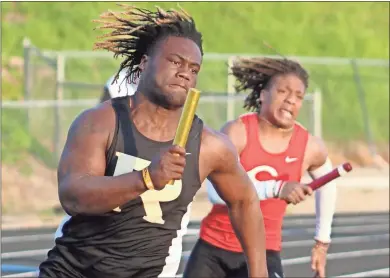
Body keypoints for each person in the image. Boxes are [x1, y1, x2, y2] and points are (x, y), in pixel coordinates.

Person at [37, 5, 279, 278]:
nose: (185, 72)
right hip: (73, 271)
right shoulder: (100, 122)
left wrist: (259, 274)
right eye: (175, 62)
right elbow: (73, 196)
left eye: (193, 68)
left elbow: (245, 201)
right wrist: (146, 178)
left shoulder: (209, 146)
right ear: (144, 62)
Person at [184, 57, 337, 278]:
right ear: (263, 94)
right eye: (283, 91)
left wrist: (322, 243)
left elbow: (328, 185)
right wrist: (276, 188)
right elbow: (215, 193)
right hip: (214, 249)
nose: (291, 100)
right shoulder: (237, 132)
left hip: (264, 252)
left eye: (298, 96)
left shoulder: (310, 147)